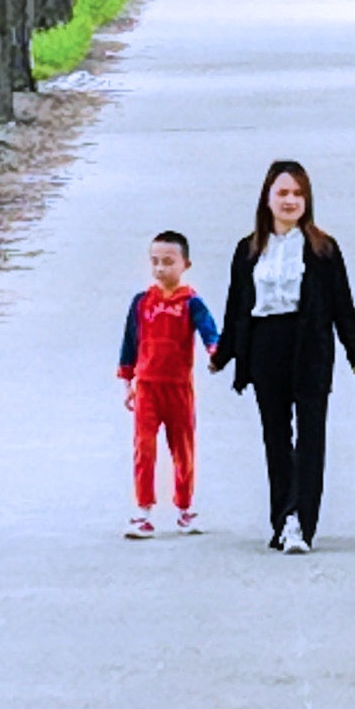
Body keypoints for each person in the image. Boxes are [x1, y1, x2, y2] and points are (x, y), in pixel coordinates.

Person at [209, 158, 355, 554]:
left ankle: (302, 522)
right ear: (267, 198)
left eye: (298, 193)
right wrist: (224, 354)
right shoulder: (248, 250)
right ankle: (282, 518)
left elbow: (343, 308)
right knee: (276, 437)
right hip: (266, 347)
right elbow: (236, 307)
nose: (290, 200)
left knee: (311, 436)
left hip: (310, 346)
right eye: (282, 192)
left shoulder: (323, 248)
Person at [113, 229, 219, 539]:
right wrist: (127, 382)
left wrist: (216, 352)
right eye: (155, 261)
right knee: (143, 449)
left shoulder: (191, 303)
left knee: (182, 449)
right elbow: (130, 342)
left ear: (185, 264)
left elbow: (210, 332)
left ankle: (185, 508)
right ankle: (142, 512)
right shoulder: (142, 302)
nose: (161, 268)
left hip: (178, 389)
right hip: (147, 388)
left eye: (168, 262)